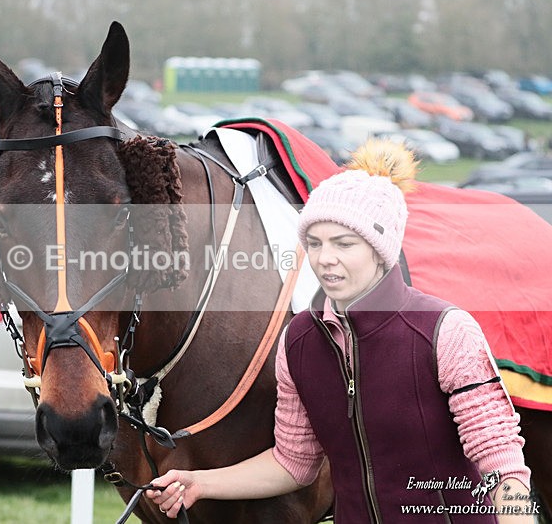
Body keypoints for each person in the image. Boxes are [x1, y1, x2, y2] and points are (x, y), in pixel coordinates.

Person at [146, 139, 533, 523]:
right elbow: (294, 462)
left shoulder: (446, 332)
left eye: (344, 244)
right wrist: (201, 483)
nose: (324, 258)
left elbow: (503, 464)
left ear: (379, 249)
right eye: (313, 243)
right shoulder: (298, 341)